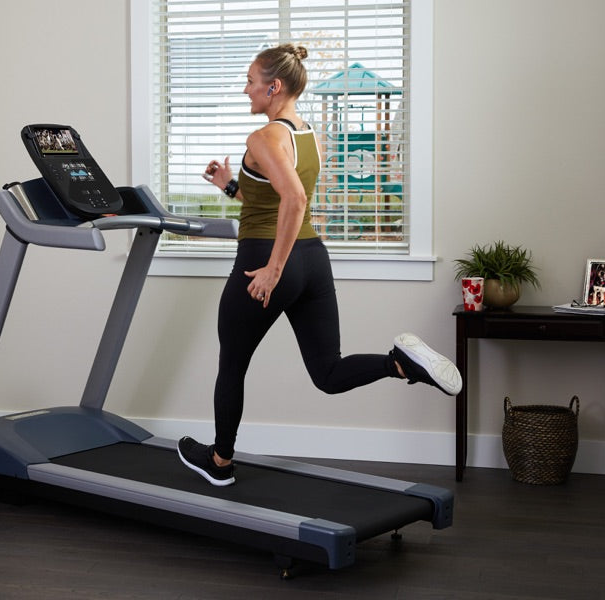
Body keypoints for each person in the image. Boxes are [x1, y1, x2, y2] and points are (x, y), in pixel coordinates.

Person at [177, 44, 462, 487]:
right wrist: (230, 184)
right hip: (312, 260)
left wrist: (272, 269)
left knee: (232, 363)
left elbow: (294, 199)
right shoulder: (309, 134)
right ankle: (401, 365)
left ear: (274, 87)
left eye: (251, 81)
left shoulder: (265, 137)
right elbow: (274, 200)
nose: (245, 89)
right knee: (327, 371)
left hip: (267, 261)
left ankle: (219, 462)